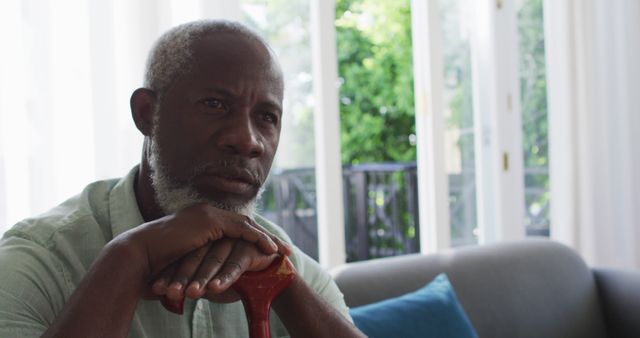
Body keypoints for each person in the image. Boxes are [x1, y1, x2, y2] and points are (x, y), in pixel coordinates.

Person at [0, 20, 365, 338]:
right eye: (215, 104)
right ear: (147, 114)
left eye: (267, 117)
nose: (247, 140)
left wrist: (283, 286)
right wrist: (130, 256)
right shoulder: (38, 260)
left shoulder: (284, 262)